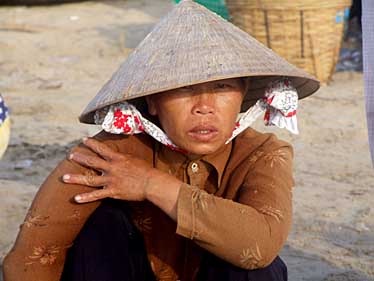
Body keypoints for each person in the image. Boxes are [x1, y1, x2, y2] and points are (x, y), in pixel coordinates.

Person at [2, 1, 320, 280]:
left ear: (242, 95)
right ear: (152, 102)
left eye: (222, 86)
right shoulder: (108, 153)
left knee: (254, 266)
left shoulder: (262, 153)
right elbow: (32, 254)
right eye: (184, 89)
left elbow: (260, 247)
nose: (204, 106)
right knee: (101, 227)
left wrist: (151, 184)